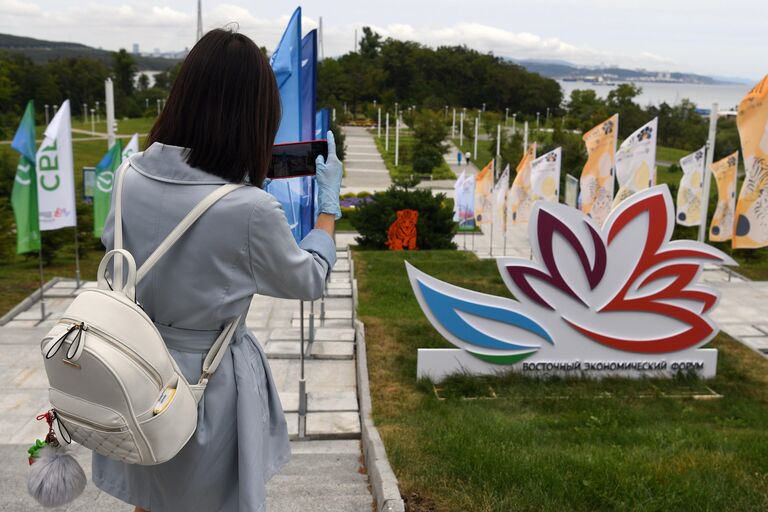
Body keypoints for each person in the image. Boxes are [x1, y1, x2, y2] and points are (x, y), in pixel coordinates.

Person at [91, 29, 343, 512]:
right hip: (205, 385)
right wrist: (327, 209)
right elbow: (308, 279)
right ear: (255, 115)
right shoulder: (249, 209)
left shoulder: (127, 176)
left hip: (135, 368)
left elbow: (118, 247)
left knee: (151, 493)